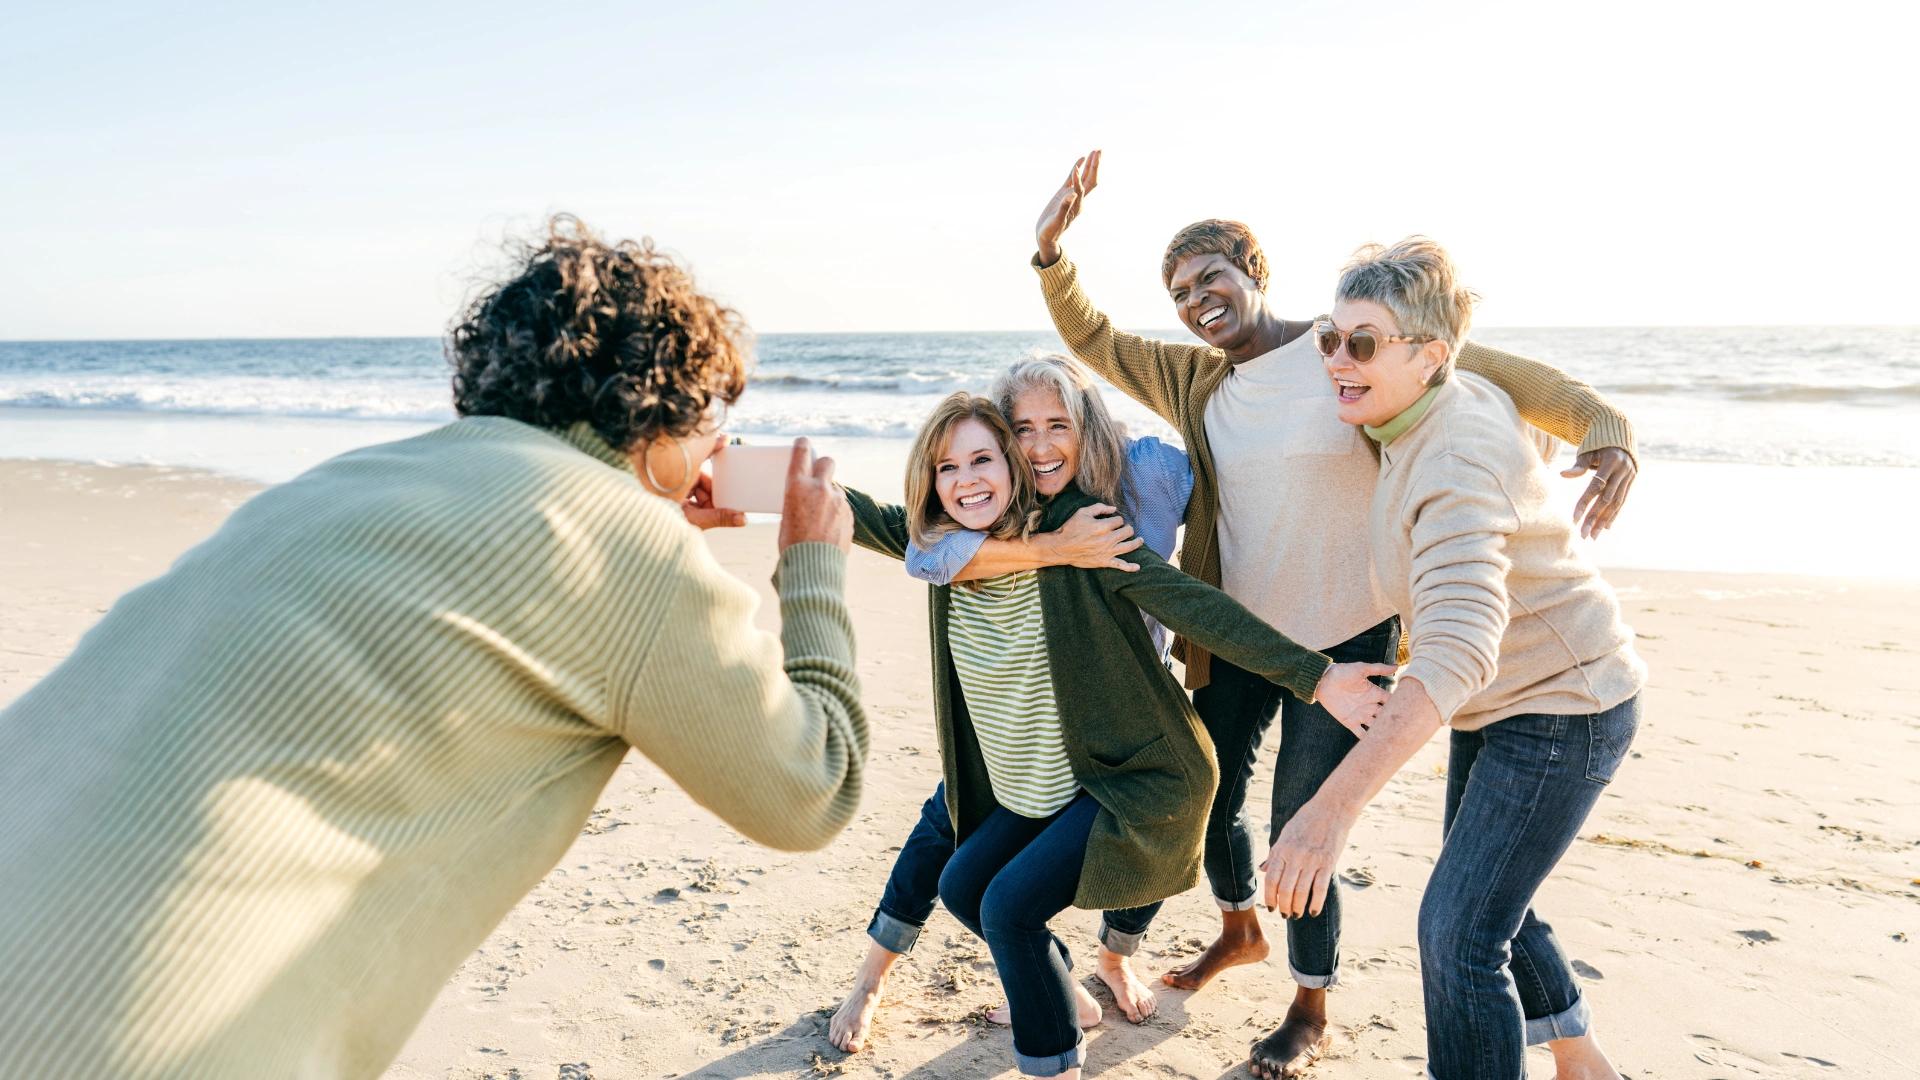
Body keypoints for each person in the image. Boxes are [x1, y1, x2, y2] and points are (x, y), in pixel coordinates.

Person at [0, 216, 865, 1079]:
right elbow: (808, 791)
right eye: (716, 416)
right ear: (665, 408)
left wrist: (643, 525)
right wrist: (813, 565)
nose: (721, 444)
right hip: (155, 1036)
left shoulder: (335, 480)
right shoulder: (630, 553)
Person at [1030, 152, 1641, 1077]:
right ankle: (1240, 931)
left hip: (1350, 640)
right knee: (1213, 802)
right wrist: (1050, 256)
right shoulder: (1200, 380)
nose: (1199, 300)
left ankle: (1309, 1004)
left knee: (1307, 828)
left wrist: (1605, 429)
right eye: (1181, 290)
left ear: (1256, 271)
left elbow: (1500, 374)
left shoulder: (1350, 349)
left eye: (1213, 277)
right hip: (1238, 638)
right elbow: (1097, 342)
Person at [841, 393, 1392, 1079]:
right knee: (961, 885)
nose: (968, 479)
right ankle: (1070, 999)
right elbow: (849, 510)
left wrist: (1315, 675)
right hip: (1039, 783)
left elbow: (1193, 604)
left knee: (1009, 908)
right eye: (947, 468)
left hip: (1132, 774)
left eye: (984, 458)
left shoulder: (1083, 532)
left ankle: (1055, 1063)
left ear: (1013, 463)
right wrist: (704, 466)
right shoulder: (945, 547)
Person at [1265, 237, 1645, 1080]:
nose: (1336, 360)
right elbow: (1535, 380)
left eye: (1361, 344)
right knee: (1488, 896)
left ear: (1429, 356)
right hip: (1513, 698)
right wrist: (1607, 427)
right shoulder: (1423, 398)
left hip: (1564, 705)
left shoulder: (1455, 454)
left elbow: (1459, 648)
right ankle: (1586, 1064)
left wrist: (1328, 814)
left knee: (1459, 932)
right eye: (1332, 337)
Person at [828, 355, 1189, 1053]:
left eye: (1058, 424)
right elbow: (920, 542)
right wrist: (1054, 548)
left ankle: (1110, 960)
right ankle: (879, 977)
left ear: (1089, 425)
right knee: (951, 836)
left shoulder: (1146, 475)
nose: (1041, 443)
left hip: (1127, 725)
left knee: (1159, 833)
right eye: (1022, 428)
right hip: (1022, 736)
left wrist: (1313, 668)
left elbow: (1217, 546)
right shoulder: (995, 504)